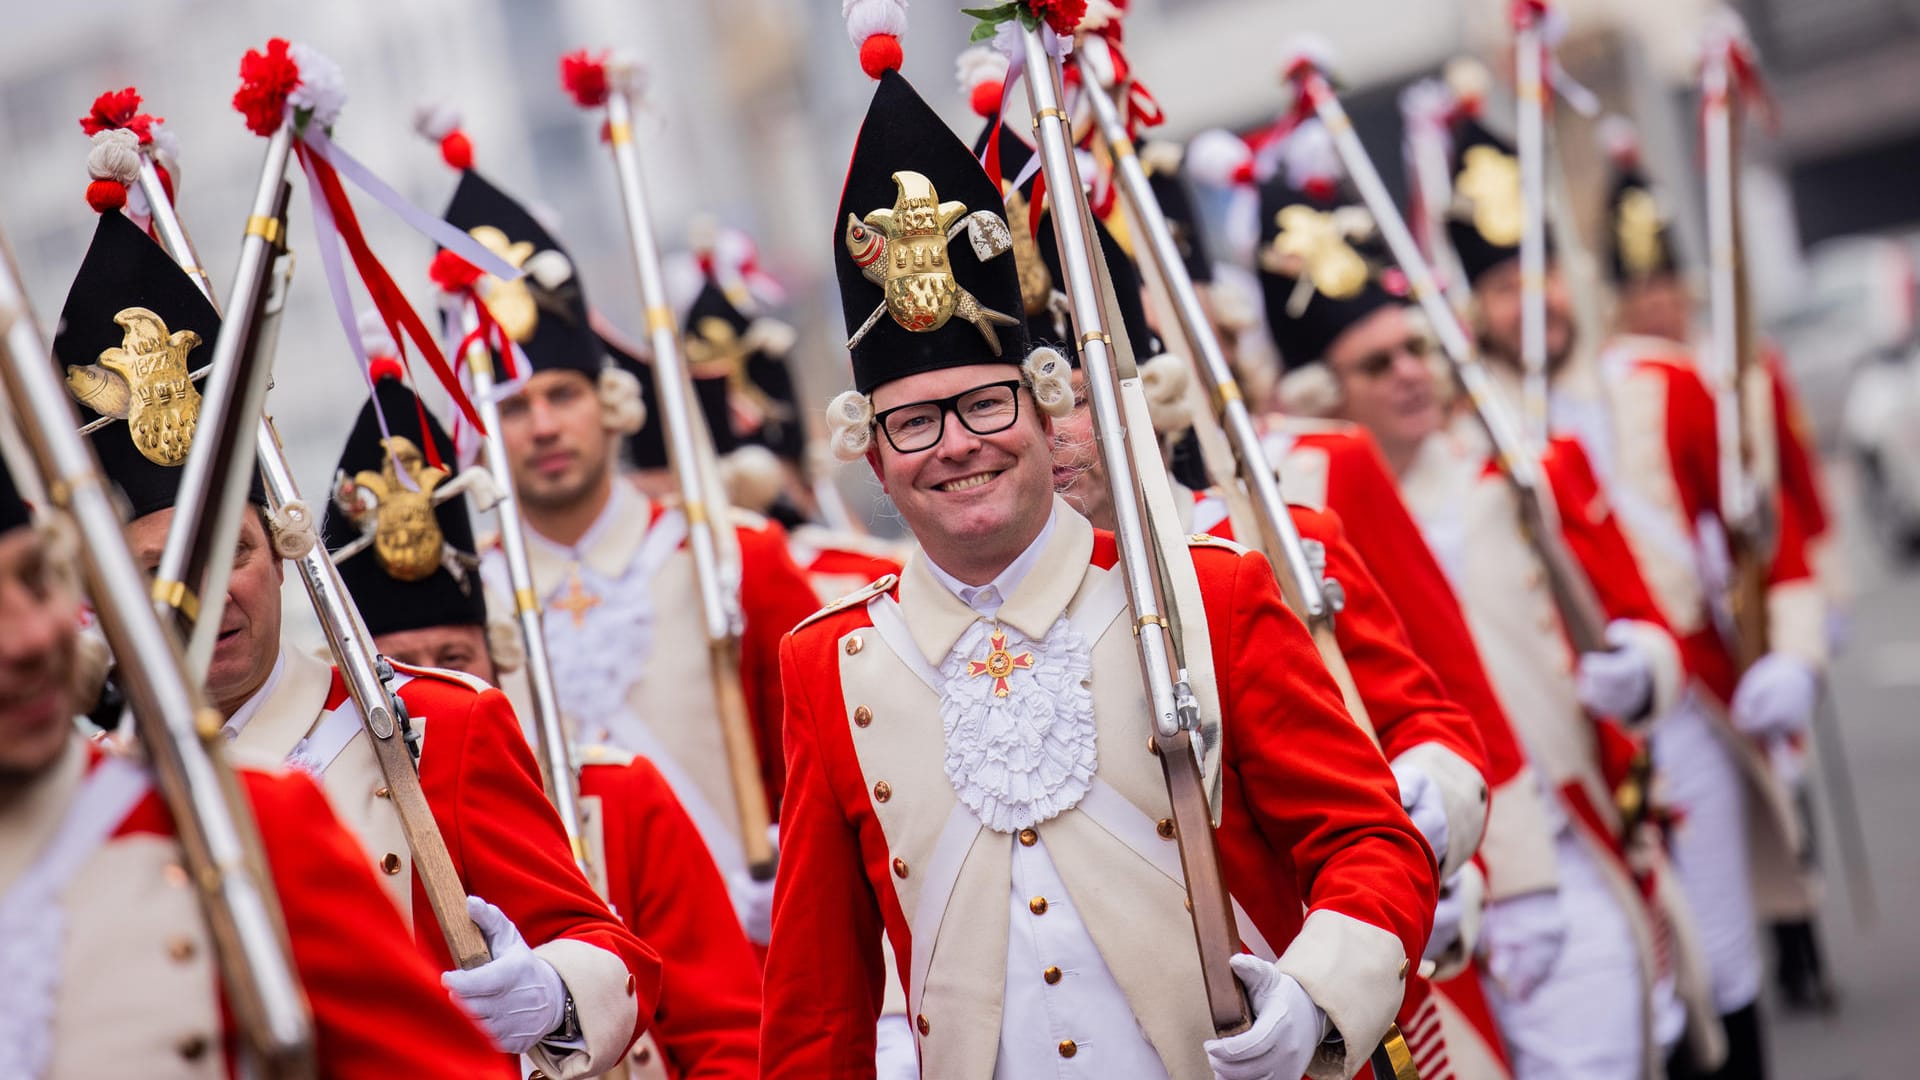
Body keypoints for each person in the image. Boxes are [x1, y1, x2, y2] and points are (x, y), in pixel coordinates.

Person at [761, 64, 1436, 1080]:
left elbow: (1369, 843)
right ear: (873, 457)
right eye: (913, 421)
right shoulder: (829, 664)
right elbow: (816, 1011)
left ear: (1043, 413)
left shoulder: (1203, 594)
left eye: (986, 405)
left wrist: (1317, 994)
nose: (955, 446)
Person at [58, 207, 658, 1078]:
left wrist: (553, 992)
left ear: (281, 552)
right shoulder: (86, 802)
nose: (205, 593)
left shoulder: (437, 727)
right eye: (158, 571)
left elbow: (613, 951)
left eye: (234, 552)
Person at [1003, 116, 1507, 1076]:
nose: (1049, 434)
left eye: (1070, 395)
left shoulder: (1276, 542)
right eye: (1024, 407)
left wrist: (1423, 811)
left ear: (1140, 395)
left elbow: (1427, 722)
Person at [1255, 120, 1711, 1078]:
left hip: (1562, 840)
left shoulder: (1517, 470)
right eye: (1378, 364)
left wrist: (1645, 673)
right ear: (1321, 392)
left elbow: (1645, 626)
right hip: (1422, 891)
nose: (1414, 372)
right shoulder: (1292, 519)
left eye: (1417, 347)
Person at [0, 420, 509, 1076]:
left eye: (35, 581)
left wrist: (552, 994)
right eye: (163, 570)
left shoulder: (258, 821)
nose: (31, 639)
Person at [324, 353, 762, 1079]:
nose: (427, 686)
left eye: (452, 657)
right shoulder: (325, 833)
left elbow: (729, 1038)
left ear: (495, 662)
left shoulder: (617, 796)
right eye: (401, 668)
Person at [436, 168, 820, 947]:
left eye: (563, 395)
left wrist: (801, 879)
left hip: (760, 961)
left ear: (609, 405)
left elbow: (824, 773)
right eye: (512, 407)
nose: (542, 426)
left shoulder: (734, 556)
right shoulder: (470, 606)